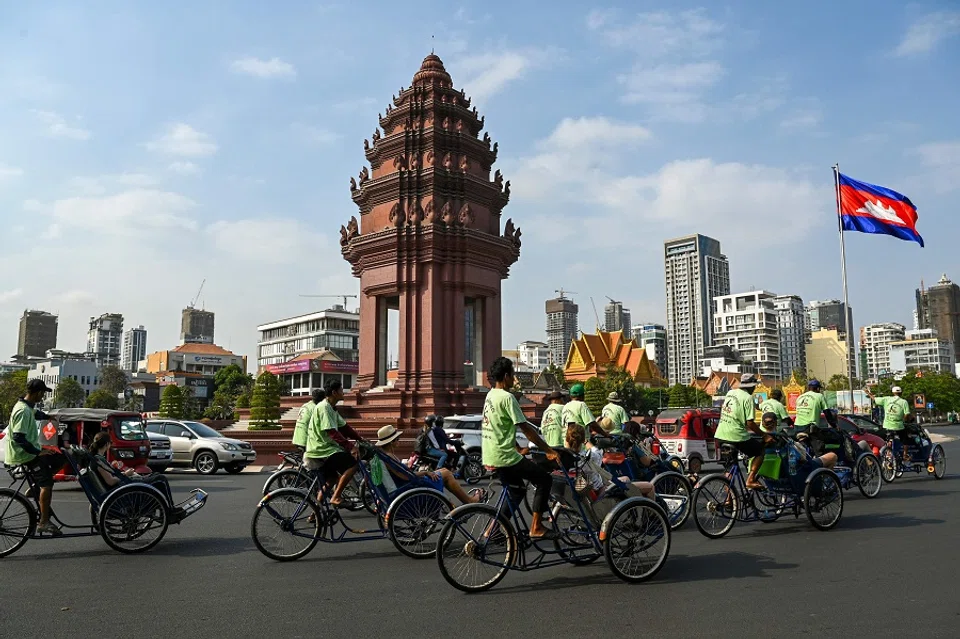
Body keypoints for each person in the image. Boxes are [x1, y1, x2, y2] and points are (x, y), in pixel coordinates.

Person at [483, 357, 559, 539]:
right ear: (507, 375)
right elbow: (527, 430)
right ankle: (536, 527)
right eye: (513, 375)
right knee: (544, 480)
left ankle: (491, 531)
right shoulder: (507, 397)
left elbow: (500, 426)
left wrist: (518, 448)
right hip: (505, 456)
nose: (514, 379)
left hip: (491, 454)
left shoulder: (490, 395)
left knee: (516, 490)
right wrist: (549, 450)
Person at [5, 379, 65, 535]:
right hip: (23, 456)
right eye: (43, 393)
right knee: (47, 484)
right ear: (38, 393)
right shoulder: (23, 411)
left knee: (58, 458)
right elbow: (18, 437)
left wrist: (48, 417)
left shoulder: (27, 407)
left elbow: (36, 413)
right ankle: (44, 522)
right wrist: (38, 452)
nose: (43, 396)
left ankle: (34, 489)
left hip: (27, 453)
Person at [370, 425, 484, 504]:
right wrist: (425, 472)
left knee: (444, 471)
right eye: (397, 439)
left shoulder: (386, 456)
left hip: (406, 485)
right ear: (392, 442)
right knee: (447, 474)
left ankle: (464, 500)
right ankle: (469, 501)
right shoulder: (388, 457)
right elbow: (405, 476)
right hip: (409, 487)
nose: (398, 441)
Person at [304, 379, 364, 509]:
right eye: (341, 390)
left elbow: (344, 427)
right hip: (322, 449)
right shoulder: (324, 407)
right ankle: (336, 497)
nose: (344, 392)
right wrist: (351, 447)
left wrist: (359, 439)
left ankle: (316, 514)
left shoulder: (332, 408)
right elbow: (332, 432)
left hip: (324, 448)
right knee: (353, 465)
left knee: (331, 479)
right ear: (334, 392)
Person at [88, 432, 179, 508]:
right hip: (122, 489)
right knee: (160, 478)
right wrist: (126, 474)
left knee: (154, 475)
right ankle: (170, 507)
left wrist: (125, 473)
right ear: (107, 444)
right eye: (110, 443)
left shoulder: (98, 459)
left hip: (122, 484)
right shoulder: (99, 461)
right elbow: (110, 481)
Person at [565, 423, 655, 499]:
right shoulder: (588, 456)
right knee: (650, 486)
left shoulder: (567, 457)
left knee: (626, 479)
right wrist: (586, 442)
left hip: (584, 488)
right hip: (600, 490)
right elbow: (597, 452)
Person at [714, 373, 769, 489]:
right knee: (760, 451)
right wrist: (764, 435)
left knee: (729, 468)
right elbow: (750, 423)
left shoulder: (730, 392)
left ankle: (729, 500)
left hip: (720, 435)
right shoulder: (748, 397)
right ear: (751, 386)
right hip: (736, 436)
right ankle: (750, 479)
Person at [794, 379, 839, 455]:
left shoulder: (800, 397)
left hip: (797, 427)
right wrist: (834, 425)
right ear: (818, 388)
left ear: (808, 388)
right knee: (819, 448)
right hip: (809, 427)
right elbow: (827, 413)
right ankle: (819, 464)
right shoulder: (819, 396)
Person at [866, 386, 915, 452]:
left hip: (887, 426)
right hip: (899, 426)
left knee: (887, 438)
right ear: (901, 393)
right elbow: (907, 414)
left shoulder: (887, 399)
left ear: (892, 392)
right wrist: (904, 420)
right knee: (904, 439)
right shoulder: (904, 402)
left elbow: (874, 399)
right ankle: (905, 455)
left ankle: (887, 452)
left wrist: (868, 393)